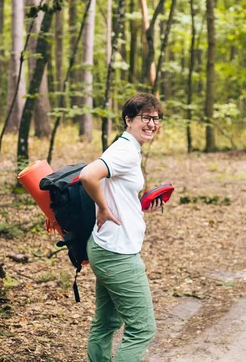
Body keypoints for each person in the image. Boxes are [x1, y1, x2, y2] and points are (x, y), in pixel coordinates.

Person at [79, 93, 165, 362]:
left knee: (106, 323)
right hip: (118, 254)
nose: (151, 123)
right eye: (145, 117)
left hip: (106, 248)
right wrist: (103, 208)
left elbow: (112, 187)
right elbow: (87, 175)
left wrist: (137, 207)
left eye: (156, 118)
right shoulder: (125, 151)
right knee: (142, 329)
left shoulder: (127, 148)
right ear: (129, 120)